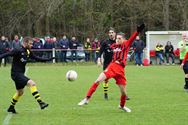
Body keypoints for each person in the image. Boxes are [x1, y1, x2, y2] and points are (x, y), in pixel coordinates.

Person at [78, 24, 145, 112]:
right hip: (113, 66)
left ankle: (122, 106)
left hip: (120, 70)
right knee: (98, 80)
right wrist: (100, 58)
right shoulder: (113, 46)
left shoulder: (126, 44)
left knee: (124, 93)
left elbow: (132, 38)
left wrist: (137, 31)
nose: (117, 40)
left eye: (119, 38)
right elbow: (105, 49)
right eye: (117, 38)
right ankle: (86, 98)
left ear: (124, 39)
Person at [0, 37, 54, 113]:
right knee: (32, 83)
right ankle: (41, 103)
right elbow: (6, 54)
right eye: (30, 43)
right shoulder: (18, 50)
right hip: (16, 74)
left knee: (20, 92)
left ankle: (11, 107)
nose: (32, 45)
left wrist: (48, 59)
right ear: (25, 43)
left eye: (32, 44)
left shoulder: (28, 51)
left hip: (20, 74)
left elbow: (36, 58)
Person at [97, 27, 116, 100]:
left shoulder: (117, 42)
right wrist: (99, 60)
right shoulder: (105, 42)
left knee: (120, 78)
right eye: (110, 33)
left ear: (115, 33)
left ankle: (124, 94)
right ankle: (105, 94)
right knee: (106, 79)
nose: (111, 34)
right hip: (107, 64)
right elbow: (100, 51)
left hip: (115, 63)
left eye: (112, 32)